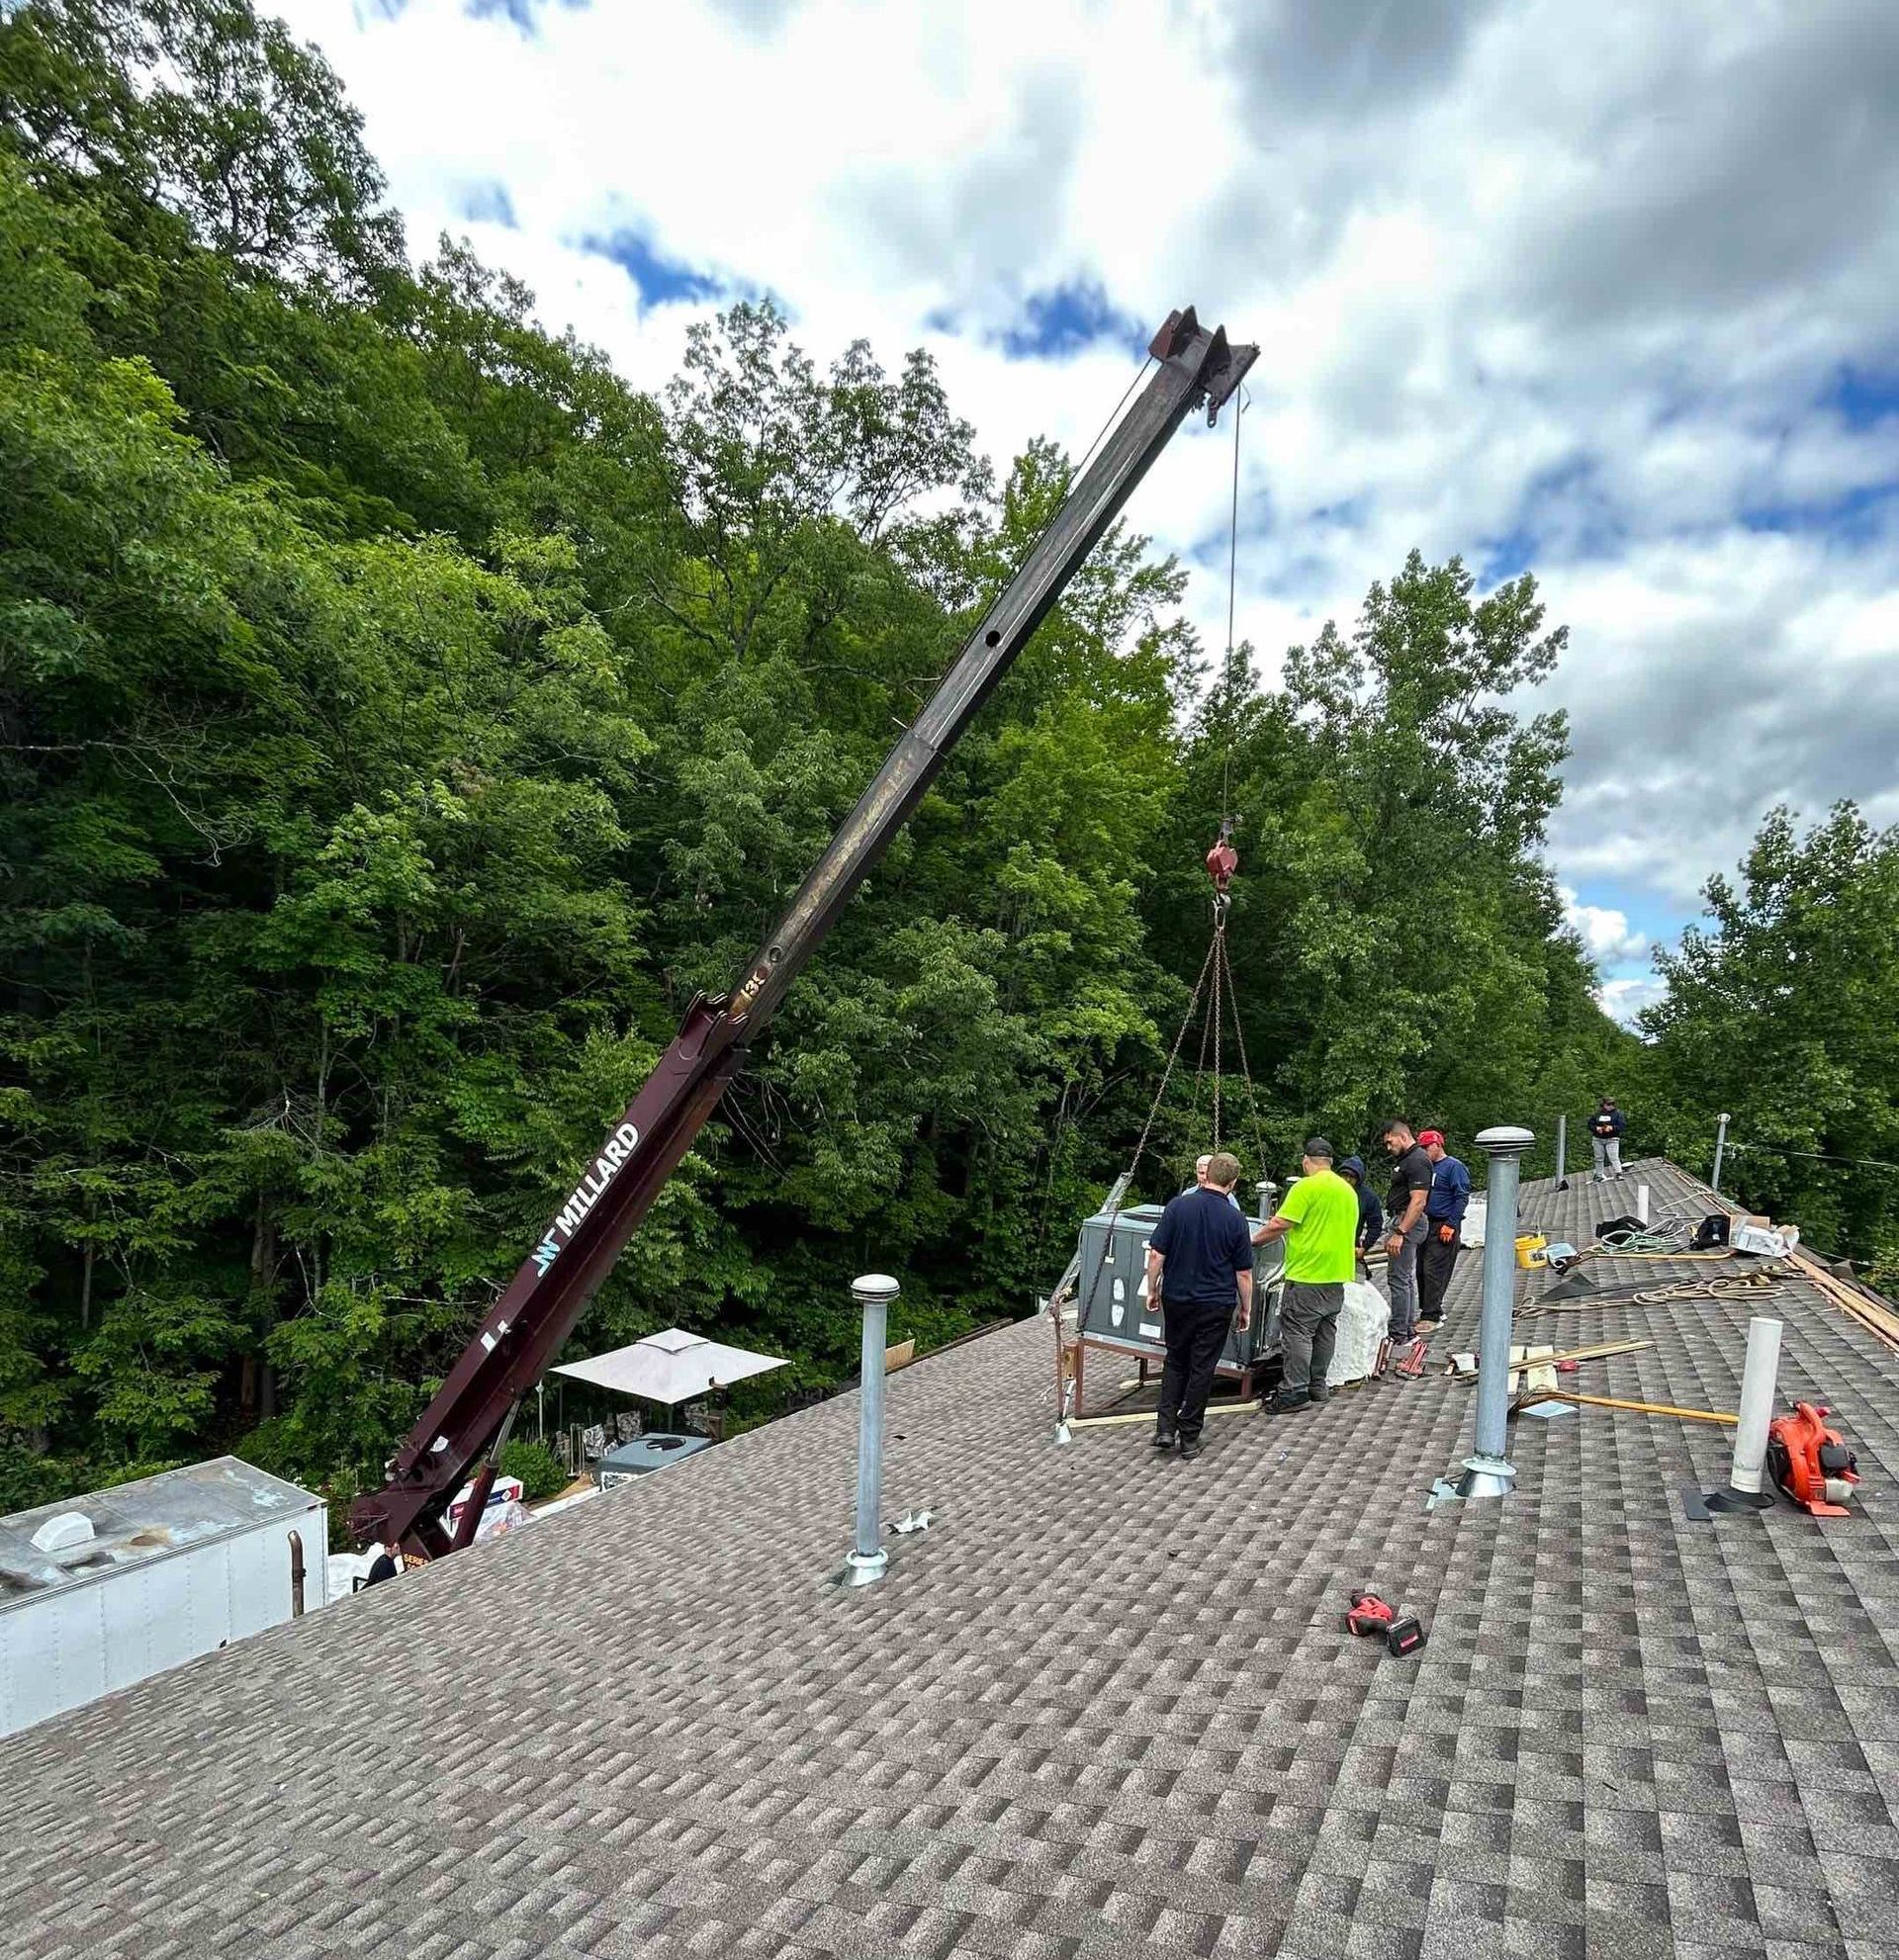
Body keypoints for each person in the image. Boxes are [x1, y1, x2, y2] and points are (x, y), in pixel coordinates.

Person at [1145, 1150, 1255, 1462]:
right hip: (1215, 1303)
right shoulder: (1235, 1219)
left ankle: (1165, 1428)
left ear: (1207, 1175)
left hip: (1177, 1298)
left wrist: (1152, 1289)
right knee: (1202, 1367)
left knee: (1175, 1360)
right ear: (1232, 1183)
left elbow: (1156, 1254)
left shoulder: (1177, 1207)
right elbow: (1244, 1273)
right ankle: (1190, 1438)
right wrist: (1245, 1309)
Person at [1251, 1138, 1359, 1413]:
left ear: (1305, 1160)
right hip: (1336, 1275)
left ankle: (1293, 1392)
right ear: (1331, 1162)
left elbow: (1281, 1223)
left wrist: (1251, 1242)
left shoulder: (1306, 1186)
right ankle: (1317, 1385)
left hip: (1307, 1274)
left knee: (1298, 1333)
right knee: (1325, 1331)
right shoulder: (1347, 1190)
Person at [1379, 1118, 1432, 1353]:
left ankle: (1399, 1332)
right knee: (1406, 1278)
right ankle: (1407, 1328)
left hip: (1408, 1222)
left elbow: (1419, 1200)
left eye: (1390, 1142)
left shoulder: (1418, 1160)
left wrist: (1400, 1231)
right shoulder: (1407, 1160)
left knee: (1398, 1278)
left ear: (1401, 1136)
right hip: (1403, 1220)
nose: (1388, 1147)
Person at [1414, 1129, 1471, 1334]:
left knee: (1434, 1270)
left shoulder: (1453, 1167)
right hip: (1425, 1223)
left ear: (1438, 1145)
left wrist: (1452, 1223)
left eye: (1426, 1147)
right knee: (1421, 1269)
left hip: (1443, 1224)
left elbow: (1462, 1196)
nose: (1424, 1152)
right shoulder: (1426, 1168)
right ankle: (1431, 1307)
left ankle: (1431, 1315)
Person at [1337, 1155, 1384, 1277]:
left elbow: (1376, 1224)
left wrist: (1364, 1248)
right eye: (1344, 1175)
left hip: (1351, 1246)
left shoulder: (1368, 1197)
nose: (1347, 1180)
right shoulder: (1331, 1190)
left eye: (1351, 1177)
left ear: (1359, 1178)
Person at [1589, 1099, 1626, 1182]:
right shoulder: (1597, 1114)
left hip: (1612, 1139)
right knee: (1598, 1157)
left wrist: (1612, 1128)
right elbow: (1590, 1124)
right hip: (1598, 1139)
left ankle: (1618, 1173)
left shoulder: (1618, 1114)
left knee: (1613, 1156)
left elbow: (1622, 1126)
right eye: (1608, 1104)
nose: (1611, 1106)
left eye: (1612, 1104)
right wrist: (1596, 1128)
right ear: (1603, 1105)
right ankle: (1599, 1175)